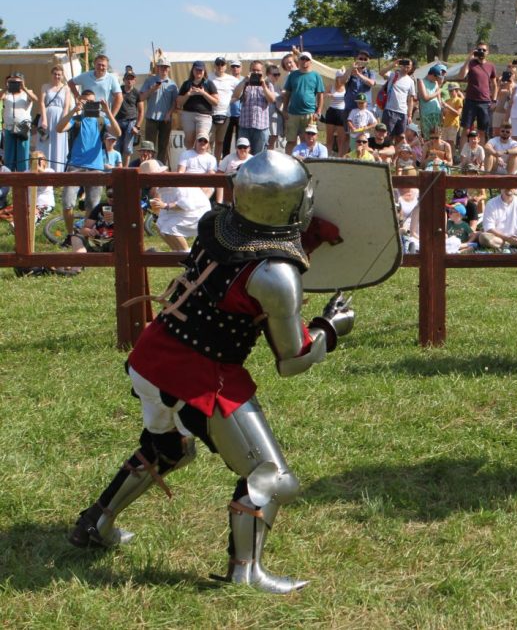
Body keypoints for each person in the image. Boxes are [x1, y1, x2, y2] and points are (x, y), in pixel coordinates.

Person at [68, 151, 355, 594]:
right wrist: (330, 329)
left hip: (154, 354)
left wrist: (305, 240)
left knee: (168, 447)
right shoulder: (275, 275)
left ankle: (97, 523)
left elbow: (251, 257)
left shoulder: (216, 225)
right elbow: (292, 360)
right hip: (199, 373)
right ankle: (247, 572)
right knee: (272, 479)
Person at [56, 90, 120, 238]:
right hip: (75, 166)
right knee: (67, 204)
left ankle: (85, 235)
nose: (88, 104)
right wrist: (73, 109)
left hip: (96, 168)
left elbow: (118, 133)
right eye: (85, 102)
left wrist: (108, 111)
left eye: (91, 102)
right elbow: (59, 128)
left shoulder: (101, 119)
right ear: (80, 102)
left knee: (92, 207)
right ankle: (71, 234)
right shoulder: (76, 119)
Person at [149, 134, 214, 250]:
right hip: (183, 211)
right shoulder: (161, 187)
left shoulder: (177, 183)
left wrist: (166, 205)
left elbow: (186, 204)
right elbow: (159, 206)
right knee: (160, 225)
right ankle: (177, 252)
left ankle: (186, 255)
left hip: (198, 211)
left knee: (170, 227)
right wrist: (160, 206)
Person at [281, 51, 325, 153]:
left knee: (306, 141)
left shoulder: (316, 76)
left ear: (310, 61)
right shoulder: (292, 75)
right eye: (302, 59)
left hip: (309, 113)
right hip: (293, 113)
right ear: (299, 61)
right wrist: (284, 109)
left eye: (307, 59)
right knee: (291, 141)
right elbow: (287, 93)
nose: (304, 61)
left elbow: (320, 95)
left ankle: (306, 163)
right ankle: (289, 162)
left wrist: (318, 111)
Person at [231, 60, 276, 155]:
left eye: (258, 70)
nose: (255, 72)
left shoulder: (268, 84)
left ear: (262, 72)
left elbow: (272, 100)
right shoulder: (244, 83)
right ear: (249, 70)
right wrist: (244, 81)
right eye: (253, 70)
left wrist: (263, 86)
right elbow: (235, 95)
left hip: (261, 127)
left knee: (259, 156)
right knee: (243, 155)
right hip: (245, 126)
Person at [139, 56, 177, 165]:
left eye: (166, 67)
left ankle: (160, 169)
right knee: (149, 146)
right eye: (161, 67)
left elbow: (175, 102)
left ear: (169, 68)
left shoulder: (173, 84)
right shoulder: (149, 80)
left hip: (165, 119)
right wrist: (153, 89)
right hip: (151, 118)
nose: (164, 69)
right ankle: (148, 166)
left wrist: (169, 114)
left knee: (163, 146)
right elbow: (141, 98)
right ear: (158, 68)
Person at [457, 42, 497, 139]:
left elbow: (494, 85)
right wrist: (469, 58)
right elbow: (461, 76)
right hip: (470, 100)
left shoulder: (491, 66)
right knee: (466, 130)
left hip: (485, 101)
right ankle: (463, 154)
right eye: (479, 50)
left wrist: (494, 100)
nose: (481, 52)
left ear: (488, 52)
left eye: (484, 50)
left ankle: (481, 153)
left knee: (482, 131)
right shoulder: (471, 63)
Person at [176, 61, 218, 150]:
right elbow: (179, 102)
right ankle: (189, 160)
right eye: (197, 70)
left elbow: (216, 102)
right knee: (189, 140)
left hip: (204, 116)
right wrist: (188, 94)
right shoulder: (186, 84)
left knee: (202, 139)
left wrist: (203, 93)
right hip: (188, 115)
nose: (199, 72)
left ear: (204, 71)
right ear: (193, 70)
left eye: (201, 70)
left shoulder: (209, 84)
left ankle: (206, 161)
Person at [2, 72, 36, 174]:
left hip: (23, 129)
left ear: (23, 82)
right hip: (9, 127)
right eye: (13, 81)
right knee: (9, 156)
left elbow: (35, 99)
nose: (15, 84)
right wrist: (6, 87)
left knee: (23, 156)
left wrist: (24, 88)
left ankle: (23, 180)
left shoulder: (27, 92)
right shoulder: (7, 93)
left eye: (17, 82)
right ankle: (7, 182)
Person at [209, 58, 241, 157]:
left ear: (226, 66)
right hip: (210, 114)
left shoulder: (233, 80)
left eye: (222, 64)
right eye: (218, 64)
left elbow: (240, 92)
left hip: (225, 115)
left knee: (220, 142)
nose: (220, 67)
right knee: (209, 142)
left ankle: (217, 166)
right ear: (215, 65)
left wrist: (229, 101)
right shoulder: (208, 77)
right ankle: (209, 166)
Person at [380, 58, 416, 137]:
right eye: (404, 66)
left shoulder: (411, 81)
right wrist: (392, 65)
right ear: (401, 65)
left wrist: (409, 116)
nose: (406, 69)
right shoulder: (393, 75)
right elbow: (381, 73)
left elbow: (410, 100)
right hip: (390, 110)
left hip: (403, 112)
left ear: (411, 68)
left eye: (408, 67)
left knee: (401, 137)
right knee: (387, 136)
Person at [115, 71, 141, 163]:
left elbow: (141, 111)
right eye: (127, 78)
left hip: (131, 122)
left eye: (131, 78)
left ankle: (125, 171)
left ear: (135, 81)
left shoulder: (137, 93)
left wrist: (137, 126)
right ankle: (117, 169)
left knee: (127, 149)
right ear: (124, 80)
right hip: (118, 121)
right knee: (116, 147)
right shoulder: (118, 90)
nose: (129, 80)